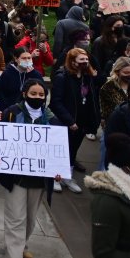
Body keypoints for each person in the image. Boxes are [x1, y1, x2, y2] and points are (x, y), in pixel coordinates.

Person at [0, 79, 62, 258]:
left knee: (30, 219)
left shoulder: (52, 120)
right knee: (15, 219)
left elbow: (57, 150)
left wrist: (58, 169)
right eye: (34, 93)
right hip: (16, 179)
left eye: (42, 95)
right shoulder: (11, 113)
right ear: (24, 94)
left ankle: (21, 246)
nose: (38, 97)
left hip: (39, 180)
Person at [50, 48, 97, 191]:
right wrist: (69, 121)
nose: (85, 62)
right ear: (72, 61)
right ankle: (55, 177)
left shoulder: (86, 77)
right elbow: (56, 102)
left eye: (86, 59)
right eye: (81, 60)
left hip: (82, 120)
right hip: (67, 121)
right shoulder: (62, 77)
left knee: (73, 150)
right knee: (61, 150)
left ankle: (67, 176)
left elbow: (91, 99)